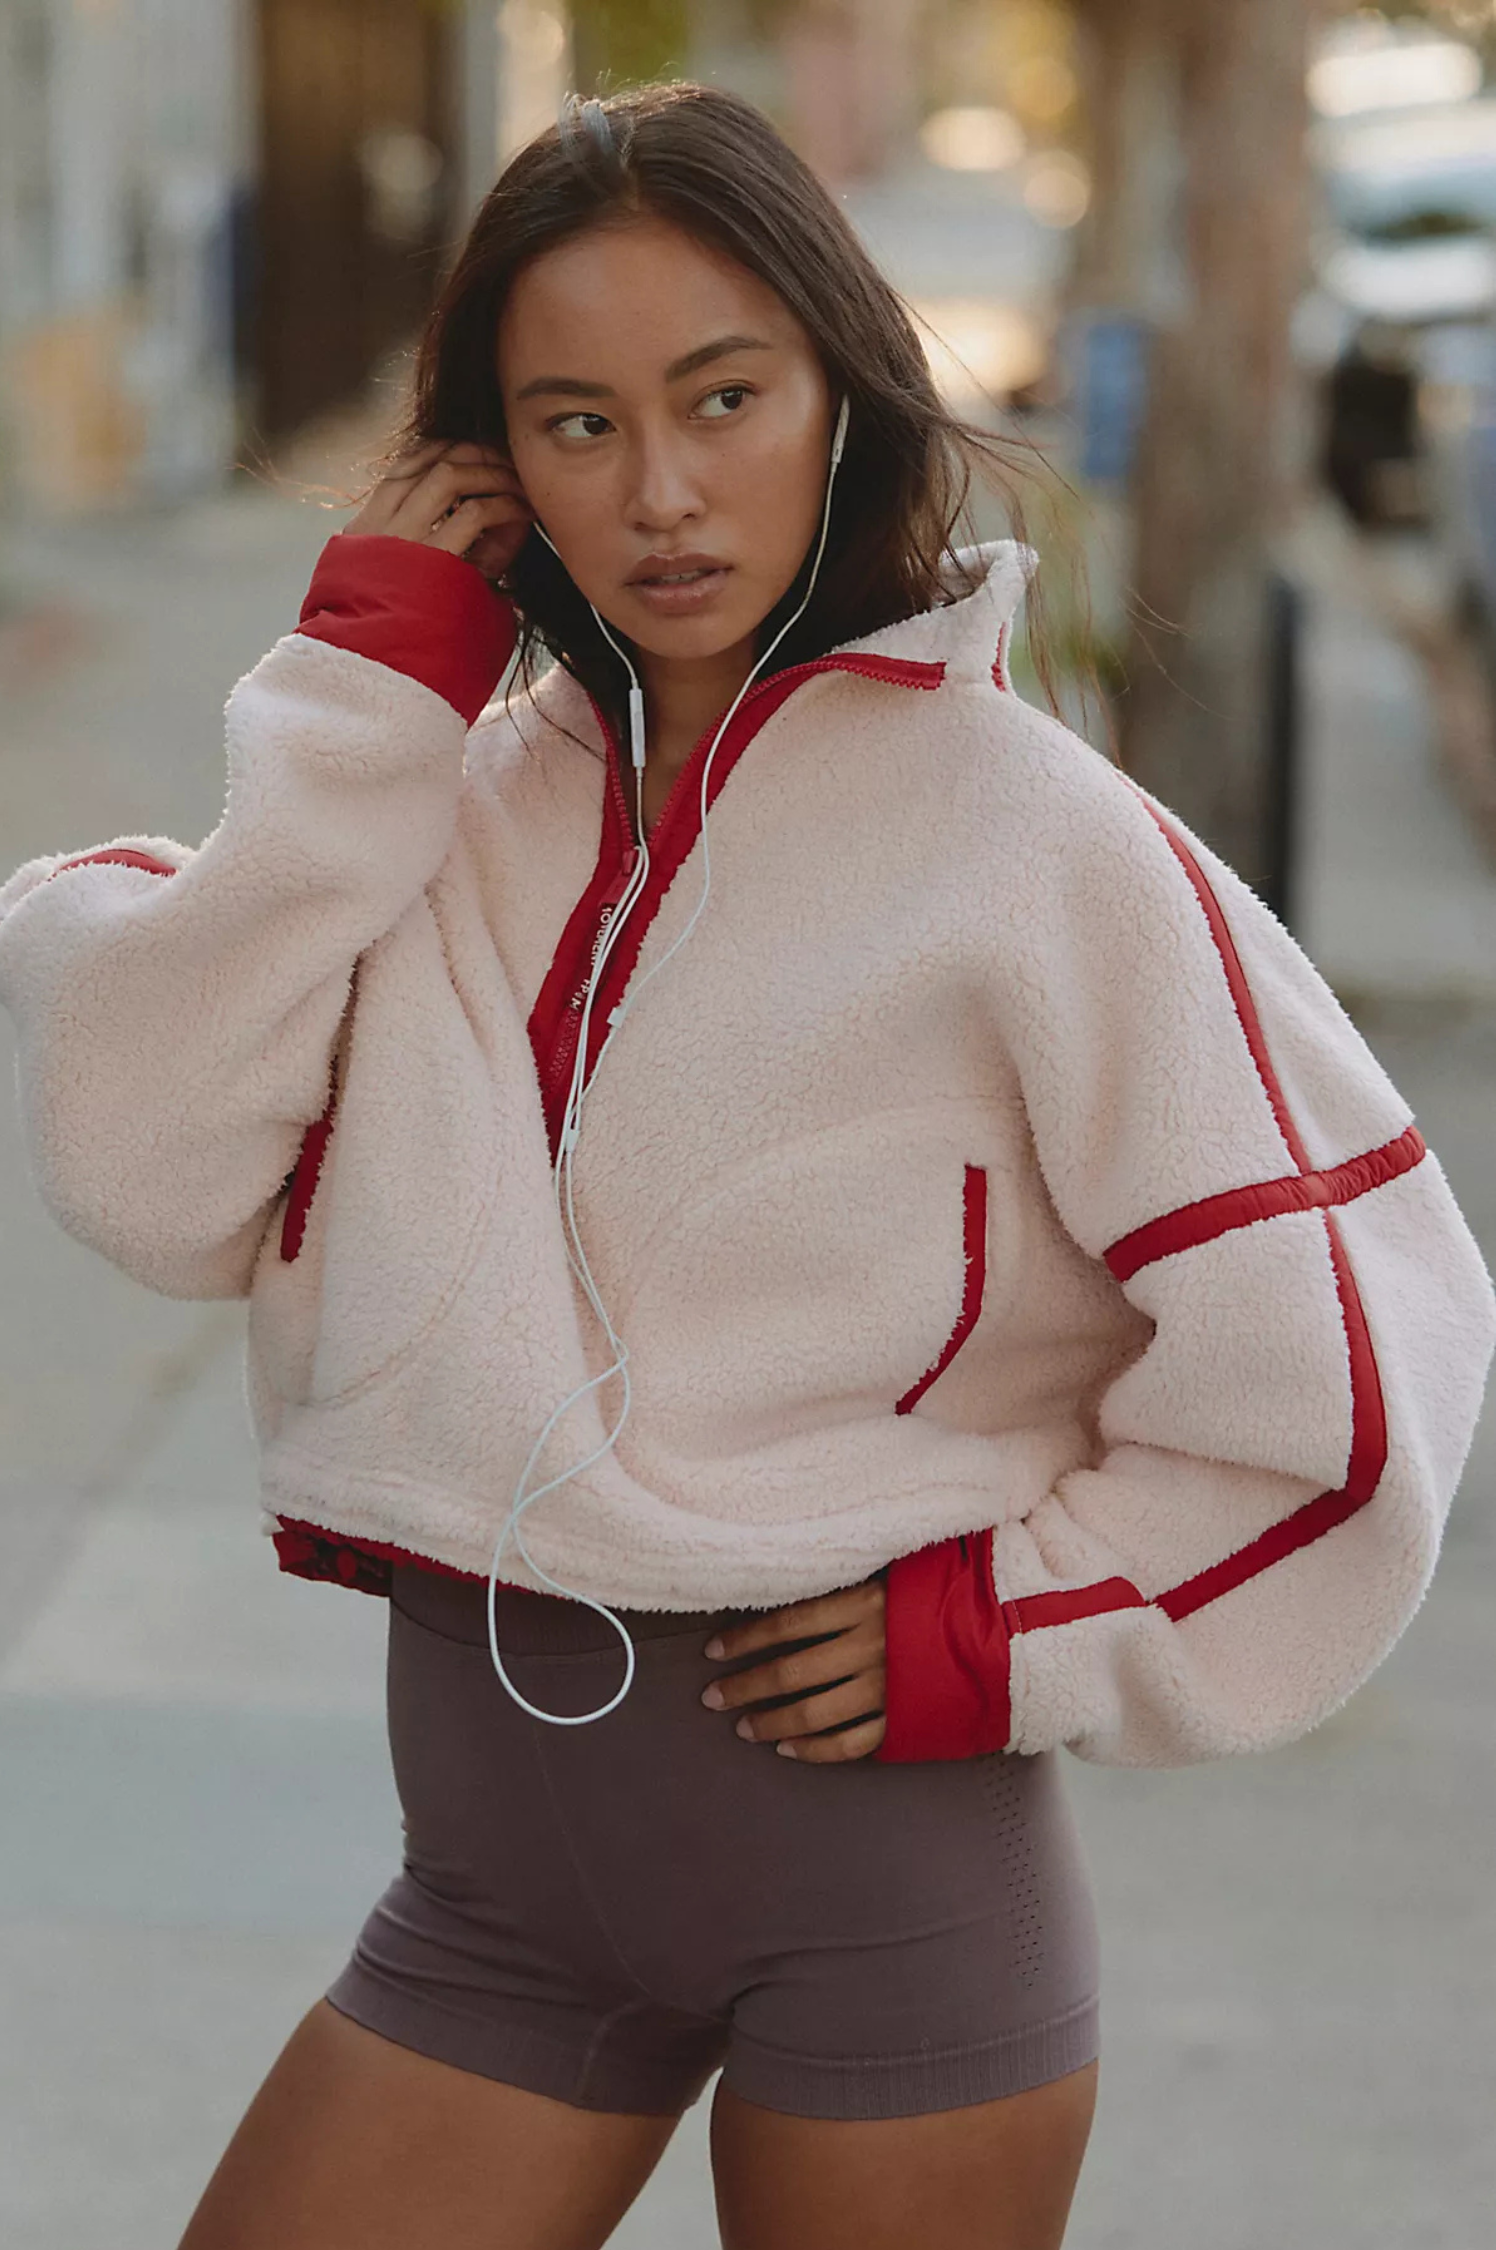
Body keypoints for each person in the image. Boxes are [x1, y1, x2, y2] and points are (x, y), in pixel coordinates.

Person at [1, 81, 1492, 2250]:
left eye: (723, 396)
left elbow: (1354, 1366)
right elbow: (148, 1166)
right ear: (490, 465)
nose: (664, 492)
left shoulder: (1037, 844)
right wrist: (367, 685)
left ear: (842, 395)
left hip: (884, 1910)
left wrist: (1023, 1622)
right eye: (577, 423)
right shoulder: (423, 805)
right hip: (491, 1912)